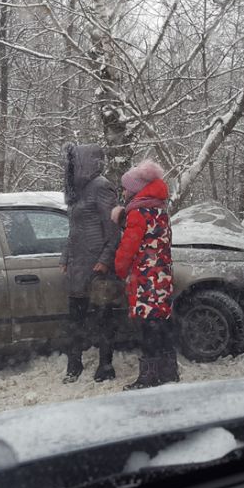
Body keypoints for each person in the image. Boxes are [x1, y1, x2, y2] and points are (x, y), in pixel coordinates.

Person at [113, 159, 179, 390]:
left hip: (145, 279)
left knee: (148, 326)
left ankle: (149, 377)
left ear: (135, 189)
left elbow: (129, 246)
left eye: (126, 188)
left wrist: (119, 268)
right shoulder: (159, 209)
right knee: (161, 323)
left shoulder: (138, 213)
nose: (123, 192)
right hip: (162, 275)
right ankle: (169, 371)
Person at [60, 144, 121, 383]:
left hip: (98, 267)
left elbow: (114, 231)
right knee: (75, 319)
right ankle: (73, 365)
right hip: (77, 265)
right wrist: (65, 257)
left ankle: (106, 366)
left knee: (104, 318)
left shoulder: (102, 187)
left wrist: (105, 261)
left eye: (75, 162)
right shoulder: (75, 191)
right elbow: (72, 231)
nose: (70, 167)